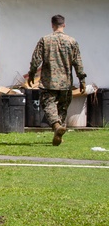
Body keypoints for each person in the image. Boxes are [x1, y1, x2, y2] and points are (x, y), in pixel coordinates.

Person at [27, 14, 86, 146]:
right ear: (64, 25)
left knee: (48, 105)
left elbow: (36, 59)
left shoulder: (45, 40)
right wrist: (82, 79)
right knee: (62, 108)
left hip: (49, 82)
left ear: (52, 25)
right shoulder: (72, 41)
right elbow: (78, 62)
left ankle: (56, 126)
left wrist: (31, 74)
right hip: (65, 82)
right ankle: (59, 132)